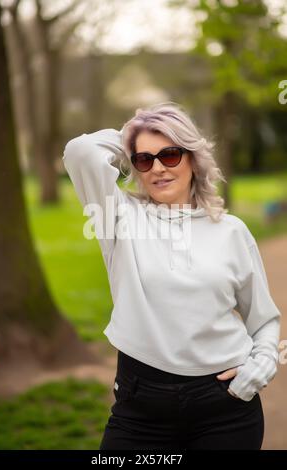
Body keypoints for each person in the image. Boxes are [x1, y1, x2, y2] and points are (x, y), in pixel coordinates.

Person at [62, 101, 281, 450]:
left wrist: (265, 359)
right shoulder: (118, 217)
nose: (158, 168)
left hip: (225, 407)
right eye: (144, 160)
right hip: (140, 409)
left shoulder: (232, 231)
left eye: (171, 154)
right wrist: (134, 133)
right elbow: (79, 151)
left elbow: (263, 319)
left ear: (193, 159)